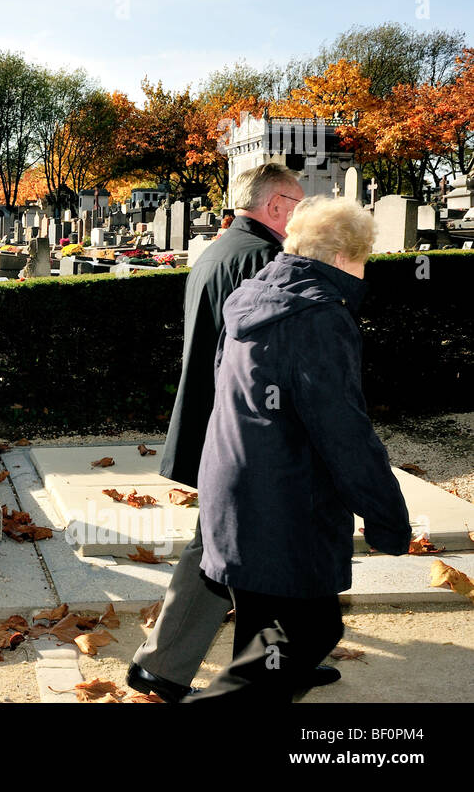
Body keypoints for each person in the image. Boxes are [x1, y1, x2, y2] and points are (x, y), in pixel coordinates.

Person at [184, 196, 411, 701]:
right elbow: (343, 431)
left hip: (235, 481)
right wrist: (388, 517)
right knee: (311, 630)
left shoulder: (252, 296)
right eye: (364, 256)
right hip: (282, 498)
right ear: (339, 259)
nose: (365, 267)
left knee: (262, 630)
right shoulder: (319, 316)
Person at [128, 163, 309, 702]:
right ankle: (161, 665)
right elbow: (270, 359)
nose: (304, 214)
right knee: (220, 546)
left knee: (251, 544)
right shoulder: (266, 259)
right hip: (247, 428)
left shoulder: (217, 249)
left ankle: (274, 657)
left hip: (222, 421)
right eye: (299, 203)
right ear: (276, 205)